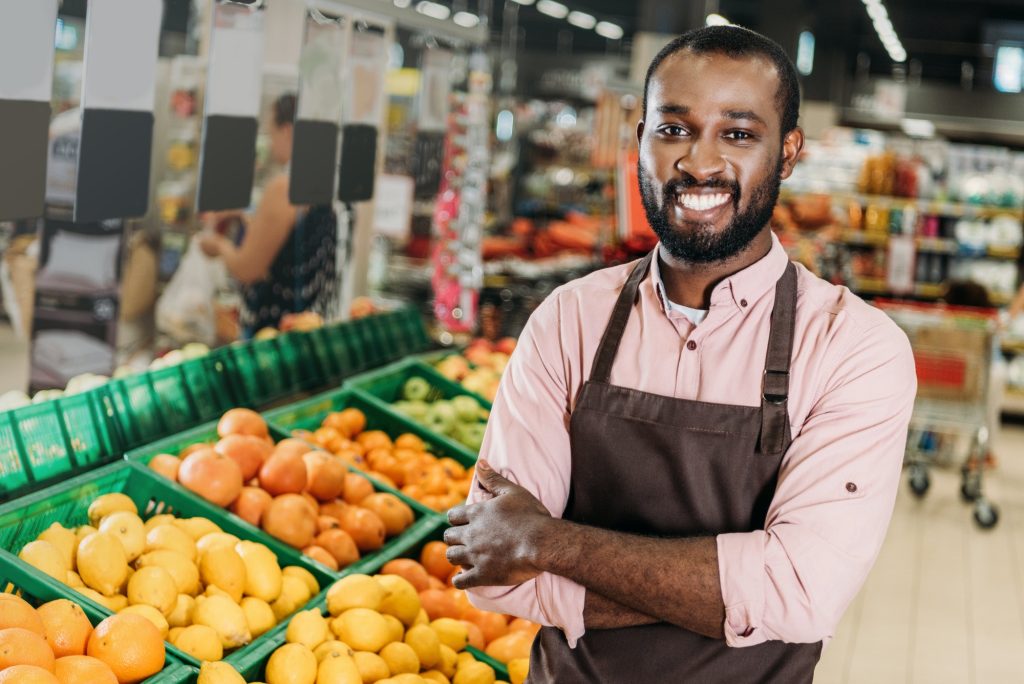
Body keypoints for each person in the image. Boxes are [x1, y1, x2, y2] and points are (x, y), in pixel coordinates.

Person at [443, 25, 916, 683]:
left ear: (787, 152)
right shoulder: (568, 320)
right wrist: (731, 591)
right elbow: (495, 577)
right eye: (674, 129)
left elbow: (801, 594)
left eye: (740, 134)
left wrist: (550, 542)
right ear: (639, 139)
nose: (699, 162)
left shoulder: (853, 348)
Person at [199, 93, 338, 337]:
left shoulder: (285, 188)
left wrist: (219, 246)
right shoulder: (324, 183)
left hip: (275, 331)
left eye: (271, 133)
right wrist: (246, 216)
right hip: (310, 325)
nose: (272, 144)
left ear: (287, 131)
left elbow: (248, 268)